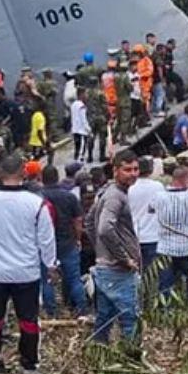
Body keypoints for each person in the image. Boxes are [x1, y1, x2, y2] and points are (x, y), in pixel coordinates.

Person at [0, 155, 57, 374]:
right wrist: (51, 264)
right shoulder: (36, 203)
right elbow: (46, 238)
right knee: (28, 320)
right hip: (26, 271)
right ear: (24, 173)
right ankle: (29, 367)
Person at [89, 150, 142, 351]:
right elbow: (104, 228)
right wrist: (123, 258)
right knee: (130, 317)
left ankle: (98, 352)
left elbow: (89, 222)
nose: (133, 174)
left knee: (105, 315)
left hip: (105, 267)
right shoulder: (115, 196)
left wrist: (101, 252)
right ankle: (132, 356)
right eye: (127, 170)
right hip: (117, 270)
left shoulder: (107, 192)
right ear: (115, 170)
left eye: (135, 169)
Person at [40, 165, 87, 318]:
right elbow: (78, 220)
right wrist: (78, 238)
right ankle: (81, 309)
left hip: (45, 244)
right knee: (74, 278)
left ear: (42, 179)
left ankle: (51, 312)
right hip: (67, 243)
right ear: (57, 178)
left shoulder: (37, 197)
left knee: (47, 280)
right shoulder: (69, 197)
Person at [154, 167, 188, 301]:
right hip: (186, 248)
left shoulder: (159, 196)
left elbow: (151, 209)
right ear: (187, 179)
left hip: (164, 249)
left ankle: (165, 308)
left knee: (165, 285)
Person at [127, 157, 161, 272]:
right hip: (153, 235)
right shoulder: (158, 186)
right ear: (150, 170)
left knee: (135, 272)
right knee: (152, 273)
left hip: (133, 236)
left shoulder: (129, 188)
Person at [85, 82, 110, 163]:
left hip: (90, 118)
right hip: (100, 117)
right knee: (102, 137)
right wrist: (108, 115)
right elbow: (104, 106)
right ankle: (102, 156)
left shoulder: (86, 94)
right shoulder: (100, 93)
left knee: (91, 137)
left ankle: (89, 156)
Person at [70, 89, 91, 163]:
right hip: (82, 131)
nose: (87, 96)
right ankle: (79, 164)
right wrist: (89, 129)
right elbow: (83, 119)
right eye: (85, 94)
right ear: (81, 95)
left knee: (77, 149)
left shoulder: (73, 104)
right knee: (81, 151)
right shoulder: (82, 105)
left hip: (75, 130)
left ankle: (75, 162)